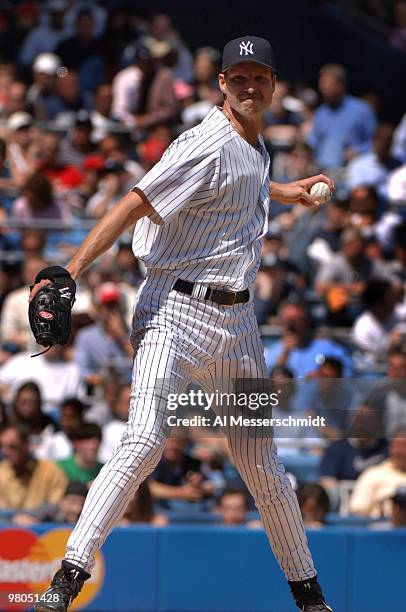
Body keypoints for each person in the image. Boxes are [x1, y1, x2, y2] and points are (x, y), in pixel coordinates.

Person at [30, 36, 334, 612]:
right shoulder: (203, 142)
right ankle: (66, 580)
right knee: (143, 441)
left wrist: (286, 192)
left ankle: (310, 596)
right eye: (237, 77)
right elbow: (132, 202)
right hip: (176, 309)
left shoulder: (253, 143)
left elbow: (238, 186)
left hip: (238, 325)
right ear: (220, 83)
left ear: (273, 85)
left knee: (261, 464)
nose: (249, 87)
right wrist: (70, 269)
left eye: (259, 78)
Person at [0, 424, 68, 511]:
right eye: (2, 447)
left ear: (26, 445)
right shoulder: (1, 472)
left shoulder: (50, 471)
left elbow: (55, 507)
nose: (5, 452)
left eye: (12, 447)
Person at [349, 428, 406, 517]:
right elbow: (357, 511)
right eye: (394, 446)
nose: (397, 451)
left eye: (403, 446)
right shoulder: (372, 474)